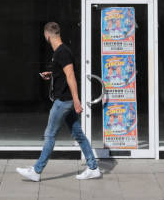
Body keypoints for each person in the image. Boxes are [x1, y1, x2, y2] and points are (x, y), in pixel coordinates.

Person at [16, 21, 101, 182]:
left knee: (49, 134)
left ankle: (36, 171)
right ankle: (93, 168)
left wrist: (76, 100)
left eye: (45, 36)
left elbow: (70, 76)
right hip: (66, 100)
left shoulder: (62, 52)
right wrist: (52, 74)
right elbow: (63, 73)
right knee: (79, 135)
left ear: (47, 36)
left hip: (64, 101)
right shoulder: (60, 53)